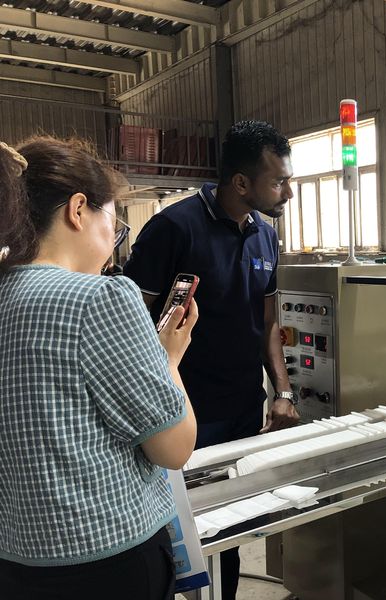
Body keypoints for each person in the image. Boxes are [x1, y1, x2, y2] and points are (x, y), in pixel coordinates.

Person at [0, 137, 198, 600]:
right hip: (108, 562)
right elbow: (174, 448)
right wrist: (168, 359)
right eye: (113, 222)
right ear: (78, 210)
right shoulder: (100, 298)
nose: (113, 240)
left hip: (16, 560)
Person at [124, 120, 299, 599]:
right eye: (279, 181)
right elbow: (132, 324)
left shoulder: (265, 237)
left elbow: (267, 324)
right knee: (179, 530)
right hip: (183, 412)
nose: (288, 192)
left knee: (230, 526)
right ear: (241, 182)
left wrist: (282, 391)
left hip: (242, 406)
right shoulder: (174, 229)